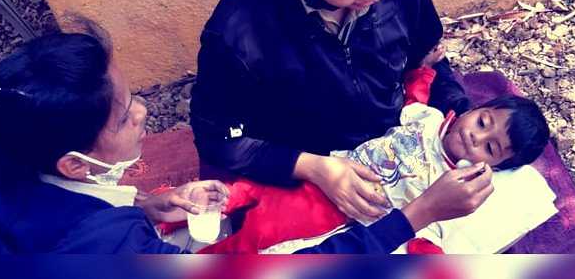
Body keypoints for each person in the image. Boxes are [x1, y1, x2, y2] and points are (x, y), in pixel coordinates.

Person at [0, 19, 492, 254]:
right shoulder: (114, 254)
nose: (144, 111)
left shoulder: (2, 158)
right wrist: (417, 214)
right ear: (75, 164)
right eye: (125, 114)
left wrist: (148, 208)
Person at [191, 0, 474, 223]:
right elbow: (220, 139)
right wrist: (314, 168)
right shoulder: (237, 32)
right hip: (304, 176)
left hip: (400, 147)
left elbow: (430, 61)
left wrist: (462, 117)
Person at [195, 47, 550, 253]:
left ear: (498, 166)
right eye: (483, 122)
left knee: (266, 236)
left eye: (490, 147)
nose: (476, 137)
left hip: (348, 211)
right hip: (330, 172)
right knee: (252, 204)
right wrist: (425, 66)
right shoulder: (428, 117)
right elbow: (414, 92)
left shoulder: (455, 182)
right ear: (473, 110)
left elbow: (431, 225)